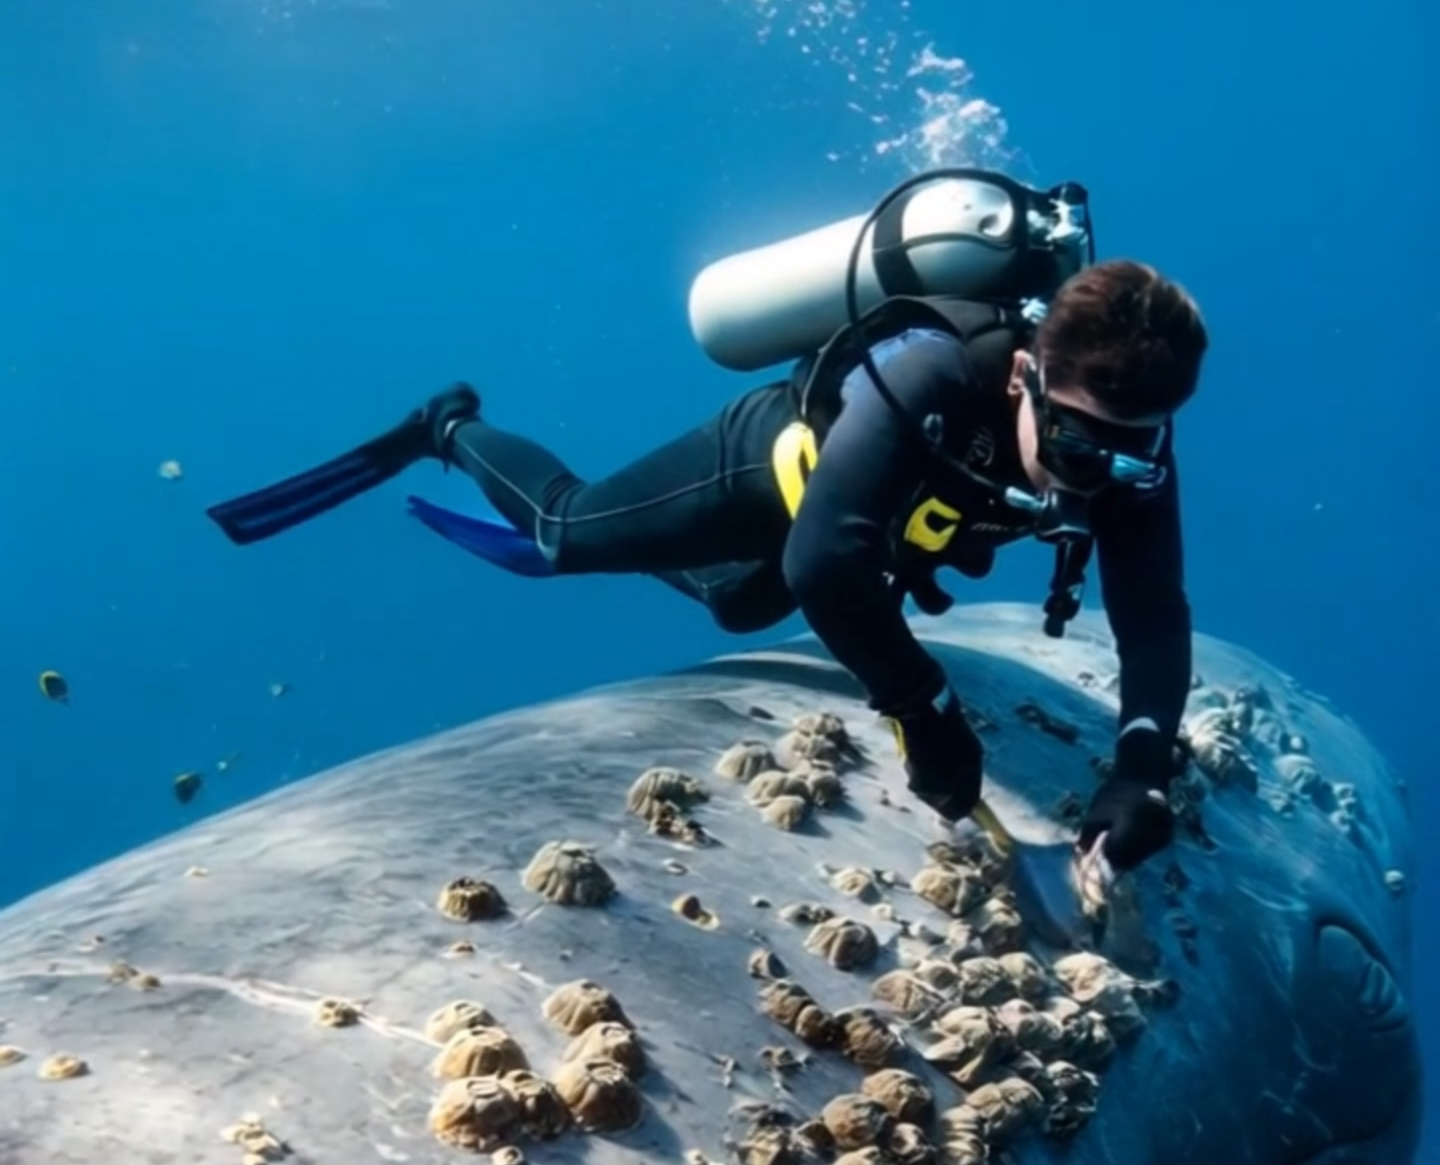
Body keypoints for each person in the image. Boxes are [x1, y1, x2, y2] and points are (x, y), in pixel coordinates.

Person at [210, 253, 1206, 874]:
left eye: (1133, 452)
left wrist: (1141, 768)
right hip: (774, 471)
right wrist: (923, 708)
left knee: (736, 607)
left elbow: (1153, 611)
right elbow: (824, 564)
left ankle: (708, 566)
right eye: (1075, 449)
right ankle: (450, 425)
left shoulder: (1129, 460)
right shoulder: (937, 373)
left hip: (889, 526)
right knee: (566, 536)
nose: (1095, 487)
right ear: (1027, 375)